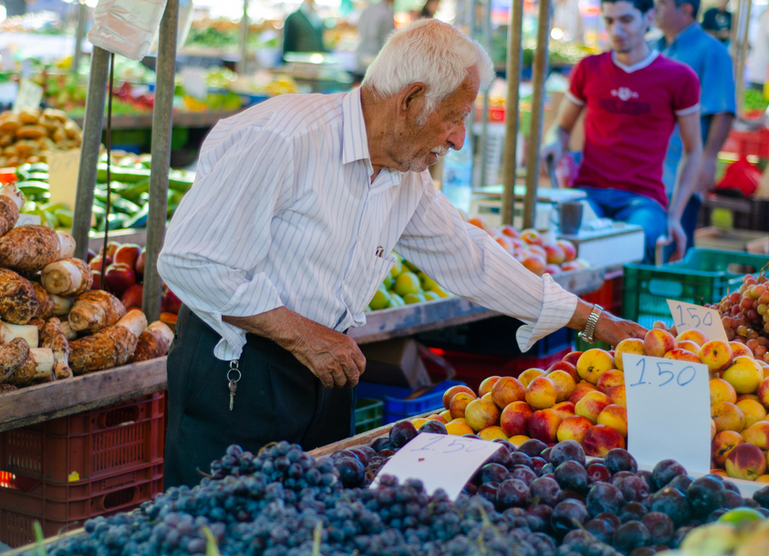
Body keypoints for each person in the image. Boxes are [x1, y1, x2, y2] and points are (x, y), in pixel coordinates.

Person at [157, 19, 647, 489]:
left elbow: (468, 256)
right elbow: (191, 261)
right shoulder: (282, 137)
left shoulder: (403, 173)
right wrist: (303, 335)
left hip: (327, 367)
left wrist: (591, 320)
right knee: (218, 532)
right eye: (454, 117)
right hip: (237, 374)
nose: (457, 138)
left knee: (311, 528)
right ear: (410, 100)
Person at [541, 0, 703, 264]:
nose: (616, 30)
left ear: (649, 17)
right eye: (609, 21)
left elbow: (694, 150)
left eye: (626, 20)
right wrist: (553, 145)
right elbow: (562, 129)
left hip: (643, 199)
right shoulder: (589, 69)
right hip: (588, 193)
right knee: (567, 249)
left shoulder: (679, 78)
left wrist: (675, 216)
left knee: (635, 249)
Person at [654, 0, 736, 252]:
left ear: (686, 9)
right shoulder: (652, 47)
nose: (655, 7)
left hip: (680, 173)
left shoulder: (711, 51)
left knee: (673, 249)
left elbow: (723, 110)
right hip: (647, 172)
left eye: (662, 3)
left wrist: (709, 158)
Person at [355, 0, 395, 78]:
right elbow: (388, 39)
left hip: (362, 53)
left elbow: (359, 29)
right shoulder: (386, 13)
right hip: (375, 57)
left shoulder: (368, 9)